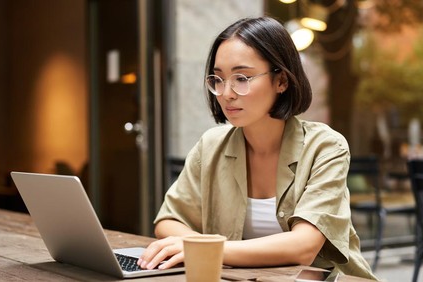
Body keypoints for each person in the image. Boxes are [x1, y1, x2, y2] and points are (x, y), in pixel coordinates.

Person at [138, 16, 378, 280]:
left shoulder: (326, 147)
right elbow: (168, 221)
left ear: (282, 81)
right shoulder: (211, 145)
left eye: (242, 78)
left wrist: (205, 249)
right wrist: (198, 246)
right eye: (218, 79)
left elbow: (303, 247)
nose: (226, 92)